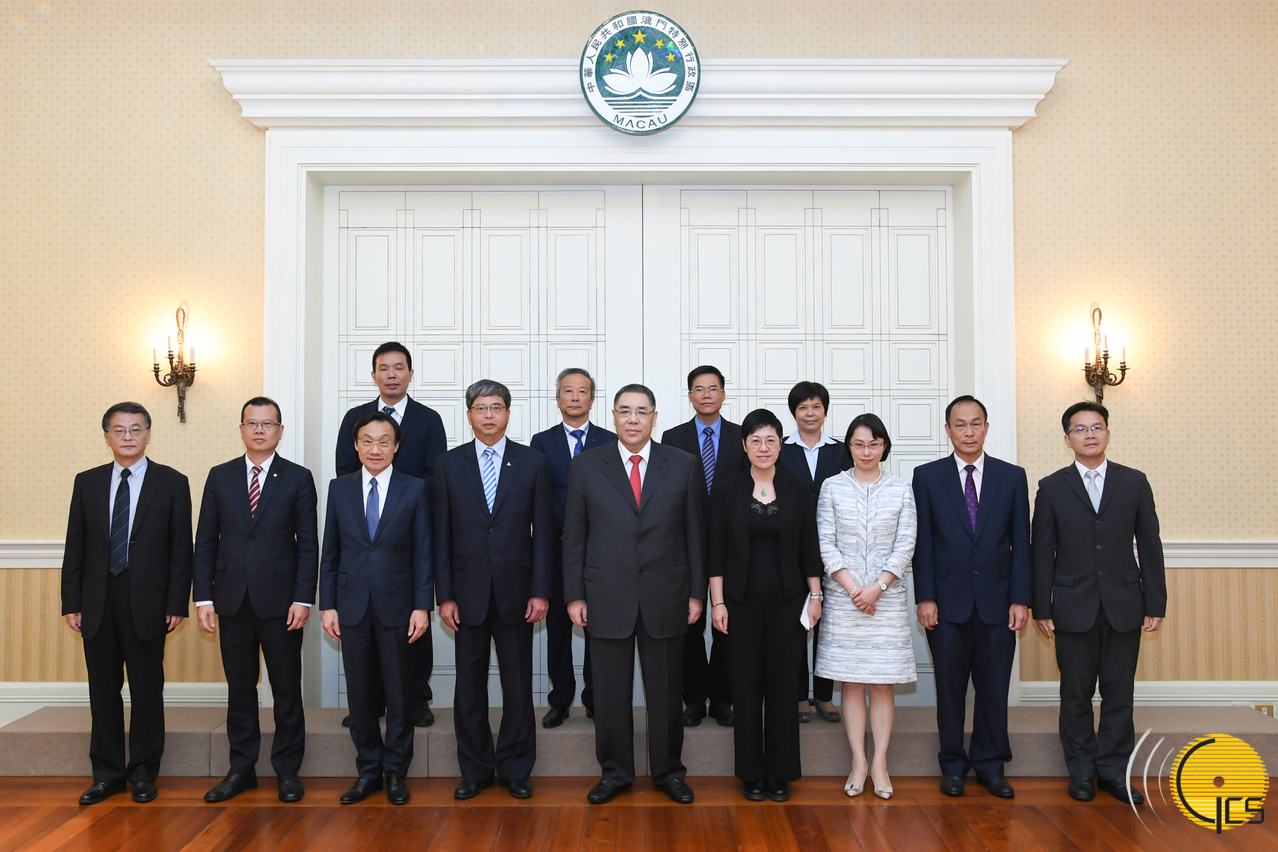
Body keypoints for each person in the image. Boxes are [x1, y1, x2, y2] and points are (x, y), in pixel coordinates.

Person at [563, 384, 705, 805]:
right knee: (610, 695)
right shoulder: (587, 465)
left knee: (666, 694)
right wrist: (574, 595)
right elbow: (575, 537)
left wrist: (696, 593)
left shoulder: (683, 464)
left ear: (655, 418)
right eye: (625, 410)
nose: (633, 419)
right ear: (613, 416)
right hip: (606, 595)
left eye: (642, 411)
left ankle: (669, 773)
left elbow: (695, 535)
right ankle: (615, 773)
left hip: (667, 594)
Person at [1031, 401, 1166, 805]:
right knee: (1075, 695)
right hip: (1072, 607)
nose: (1089, 434)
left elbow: (1150, 544)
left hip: (1125, 604)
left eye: (1096, 427)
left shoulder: (1134, 482)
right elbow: (1042, 552)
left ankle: (1113, 772)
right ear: (1067, 438)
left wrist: (1155, 602)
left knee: (1119, 695)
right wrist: (1042, 607)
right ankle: (1081, 773)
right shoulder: (1052, 487)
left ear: (1108, 433)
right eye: (1080, 429)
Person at [61, 402, 192, 805]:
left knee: (147, 691)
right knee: (103, 692)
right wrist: (71, 602)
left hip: (149, 604)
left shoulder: (173, 482)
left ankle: (144, 774)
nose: (128, 437)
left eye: (136, 429)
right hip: (97, 603)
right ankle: (107, 775)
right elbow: (75, 546)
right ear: (107, 437)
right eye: (119, 430)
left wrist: (177, 602)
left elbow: (180, 550)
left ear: (148, 435)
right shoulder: (87, 482)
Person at [193, 397, 319, 803]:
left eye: (268, 424)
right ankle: (241, 769)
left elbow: (308, 545)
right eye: (252, 423)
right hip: (231, 602)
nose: (259, 430)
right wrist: (203, 598)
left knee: (286, 689)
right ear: (242, 429)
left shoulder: (298, 478)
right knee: (240, 689)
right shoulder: (220, 476)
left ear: (280, 431)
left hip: (282, 604)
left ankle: (287, 770)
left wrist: (303, 598)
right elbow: (205, 541)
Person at [434, 380, 555, 800]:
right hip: (465, 594)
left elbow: (544, 533)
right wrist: (445, 595)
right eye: (481, 408)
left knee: (518, 686)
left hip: (517, 593)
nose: (489, 415)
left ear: (507, 413)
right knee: (469, 688)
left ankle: (516, 768)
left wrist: (541, 590)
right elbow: (441, 535)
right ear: (469, 414)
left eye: (496, 407)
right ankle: (475, 770)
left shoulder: (533, 462)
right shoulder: (448, 465)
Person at [911, 395, 1030, 799]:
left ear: (986, 428)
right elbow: (923, 543)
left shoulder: (1011, 477)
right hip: (946, 603)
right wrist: (925, 597)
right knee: (950, 690)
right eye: (959, 425)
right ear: (948, 430)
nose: (968, 432)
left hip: (999, 602)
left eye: (975, 423)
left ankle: (991, 766)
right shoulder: (927, 477)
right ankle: (952, 766)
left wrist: (1020, 599)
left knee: (993, 690)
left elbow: (1022, 543)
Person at [708, 408, 823, 803]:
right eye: (755, 440)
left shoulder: (797, 488)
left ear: (780, 445)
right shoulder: (727, 488)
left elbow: (809, 547)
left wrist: (816, 596)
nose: (763, 447)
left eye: (770, 440)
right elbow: (716, 551)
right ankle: (751, 773)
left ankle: (780, 773)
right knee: (744, 689)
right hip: (738, 604)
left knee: (783, 689)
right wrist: (718, 602)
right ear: (744, 445)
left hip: (788, 604)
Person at [319, 412, 432, 805]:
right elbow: (330, 551)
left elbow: (424, 553)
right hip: (350, 607)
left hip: (399, 606)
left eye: (384, 441)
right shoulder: (339, 488)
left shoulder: (415, 489)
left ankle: (396, 771)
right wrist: (328, 605)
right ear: (356, 446)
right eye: (367, 441)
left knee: (400, 695)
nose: (375, 449)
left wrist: (422, 606)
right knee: (361, 695)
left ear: (396, 447)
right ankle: (368, 771)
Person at [335, 341, 446, 728]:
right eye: (384, 368)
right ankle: (370, 703)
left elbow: (435, 476)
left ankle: (416, 698)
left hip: (412, 528)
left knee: (413, 620)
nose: (392, 375)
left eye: (399, 368)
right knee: (365, 624)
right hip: (365, 529)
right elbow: (345, 471)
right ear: (374, 375)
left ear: (410, 374)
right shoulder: (355, 417)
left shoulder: (428, 419)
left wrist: (404, 506)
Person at [815, 413, 916, 800]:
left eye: (874, 444)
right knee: (852, 682)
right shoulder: (832, 487)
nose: (867, 451)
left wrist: (877, 588)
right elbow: (825, 543)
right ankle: (859, 761)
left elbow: (906, 544)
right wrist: (855, 589)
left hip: (886, 602)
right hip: (844, 600)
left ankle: (880, 763)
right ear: (849, 448)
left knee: (882, 683)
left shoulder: (901, 490)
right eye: (859, 444)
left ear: (884, 446)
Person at [529, 368, 617, 727]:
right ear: (557, 398)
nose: (575, 397)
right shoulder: (541, 442)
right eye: (568, 391)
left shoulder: (609, 440)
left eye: (582, 391)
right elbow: (538, 496)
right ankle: (561, 698)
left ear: (592, 399)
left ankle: (595, 698)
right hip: (556, 549)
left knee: (598, 626)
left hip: (599, 551)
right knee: (558, 628)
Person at [660, 365, 745, 728]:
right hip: (686, 542)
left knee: (729, 622)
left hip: (732, 543)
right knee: (689, 622)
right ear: (690, 395)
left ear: (723, 394)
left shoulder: (742, 436)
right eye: (699, 389)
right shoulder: (672, 437)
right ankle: (693, 699)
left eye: (713, 388)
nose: (706, 395)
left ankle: (723, 699)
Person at [776, 380, 849, 725]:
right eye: (803, 407)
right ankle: (796, 696)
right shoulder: (779, 448)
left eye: (816, 406)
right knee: (794, 627)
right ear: (794, 412)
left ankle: (824, 696)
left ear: (825, 411)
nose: (809, 413)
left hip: (834, 550)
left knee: (828, 627)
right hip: (790, 550)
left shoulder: (841, 451)